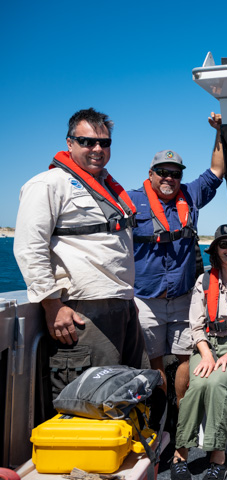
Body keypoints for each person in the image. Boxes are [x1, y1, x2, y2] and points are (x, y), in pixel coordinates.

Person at [14, 108, 148, 397]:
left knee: (128, 393)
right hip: (83, 313)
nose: (97, 149)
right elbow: (29, 246)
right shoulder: (48, 185)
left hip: (122, 308)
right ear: (69, 143)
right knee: (91, 400)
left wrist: (126, 299)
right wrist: (52, 305)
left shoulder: (106, 189)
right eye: (87, 141)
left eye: (104, 142)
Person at [129, 112, 225, 403]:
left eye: (175, 173)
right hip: (146, 298)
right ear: (151, 174)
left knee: (185, 357)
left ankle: (180, 412)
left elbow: (217, 170)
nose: (169, 178)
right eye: (163, 172)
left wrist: (219, 131)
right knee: (154, 359)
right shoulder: (131, 201)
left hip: (183, 297)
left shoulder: (191, 195)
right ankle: (161, 415)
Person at [170, 225, 227, 480]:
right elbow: (196, 325)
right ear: (216, 250)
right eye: (224, 244)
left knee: (218, 383)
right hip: (207, 345)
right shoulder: (204, 281)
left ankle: (217, 457)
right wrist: (207, 354)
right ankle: (181, 453)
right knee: (197, 385)